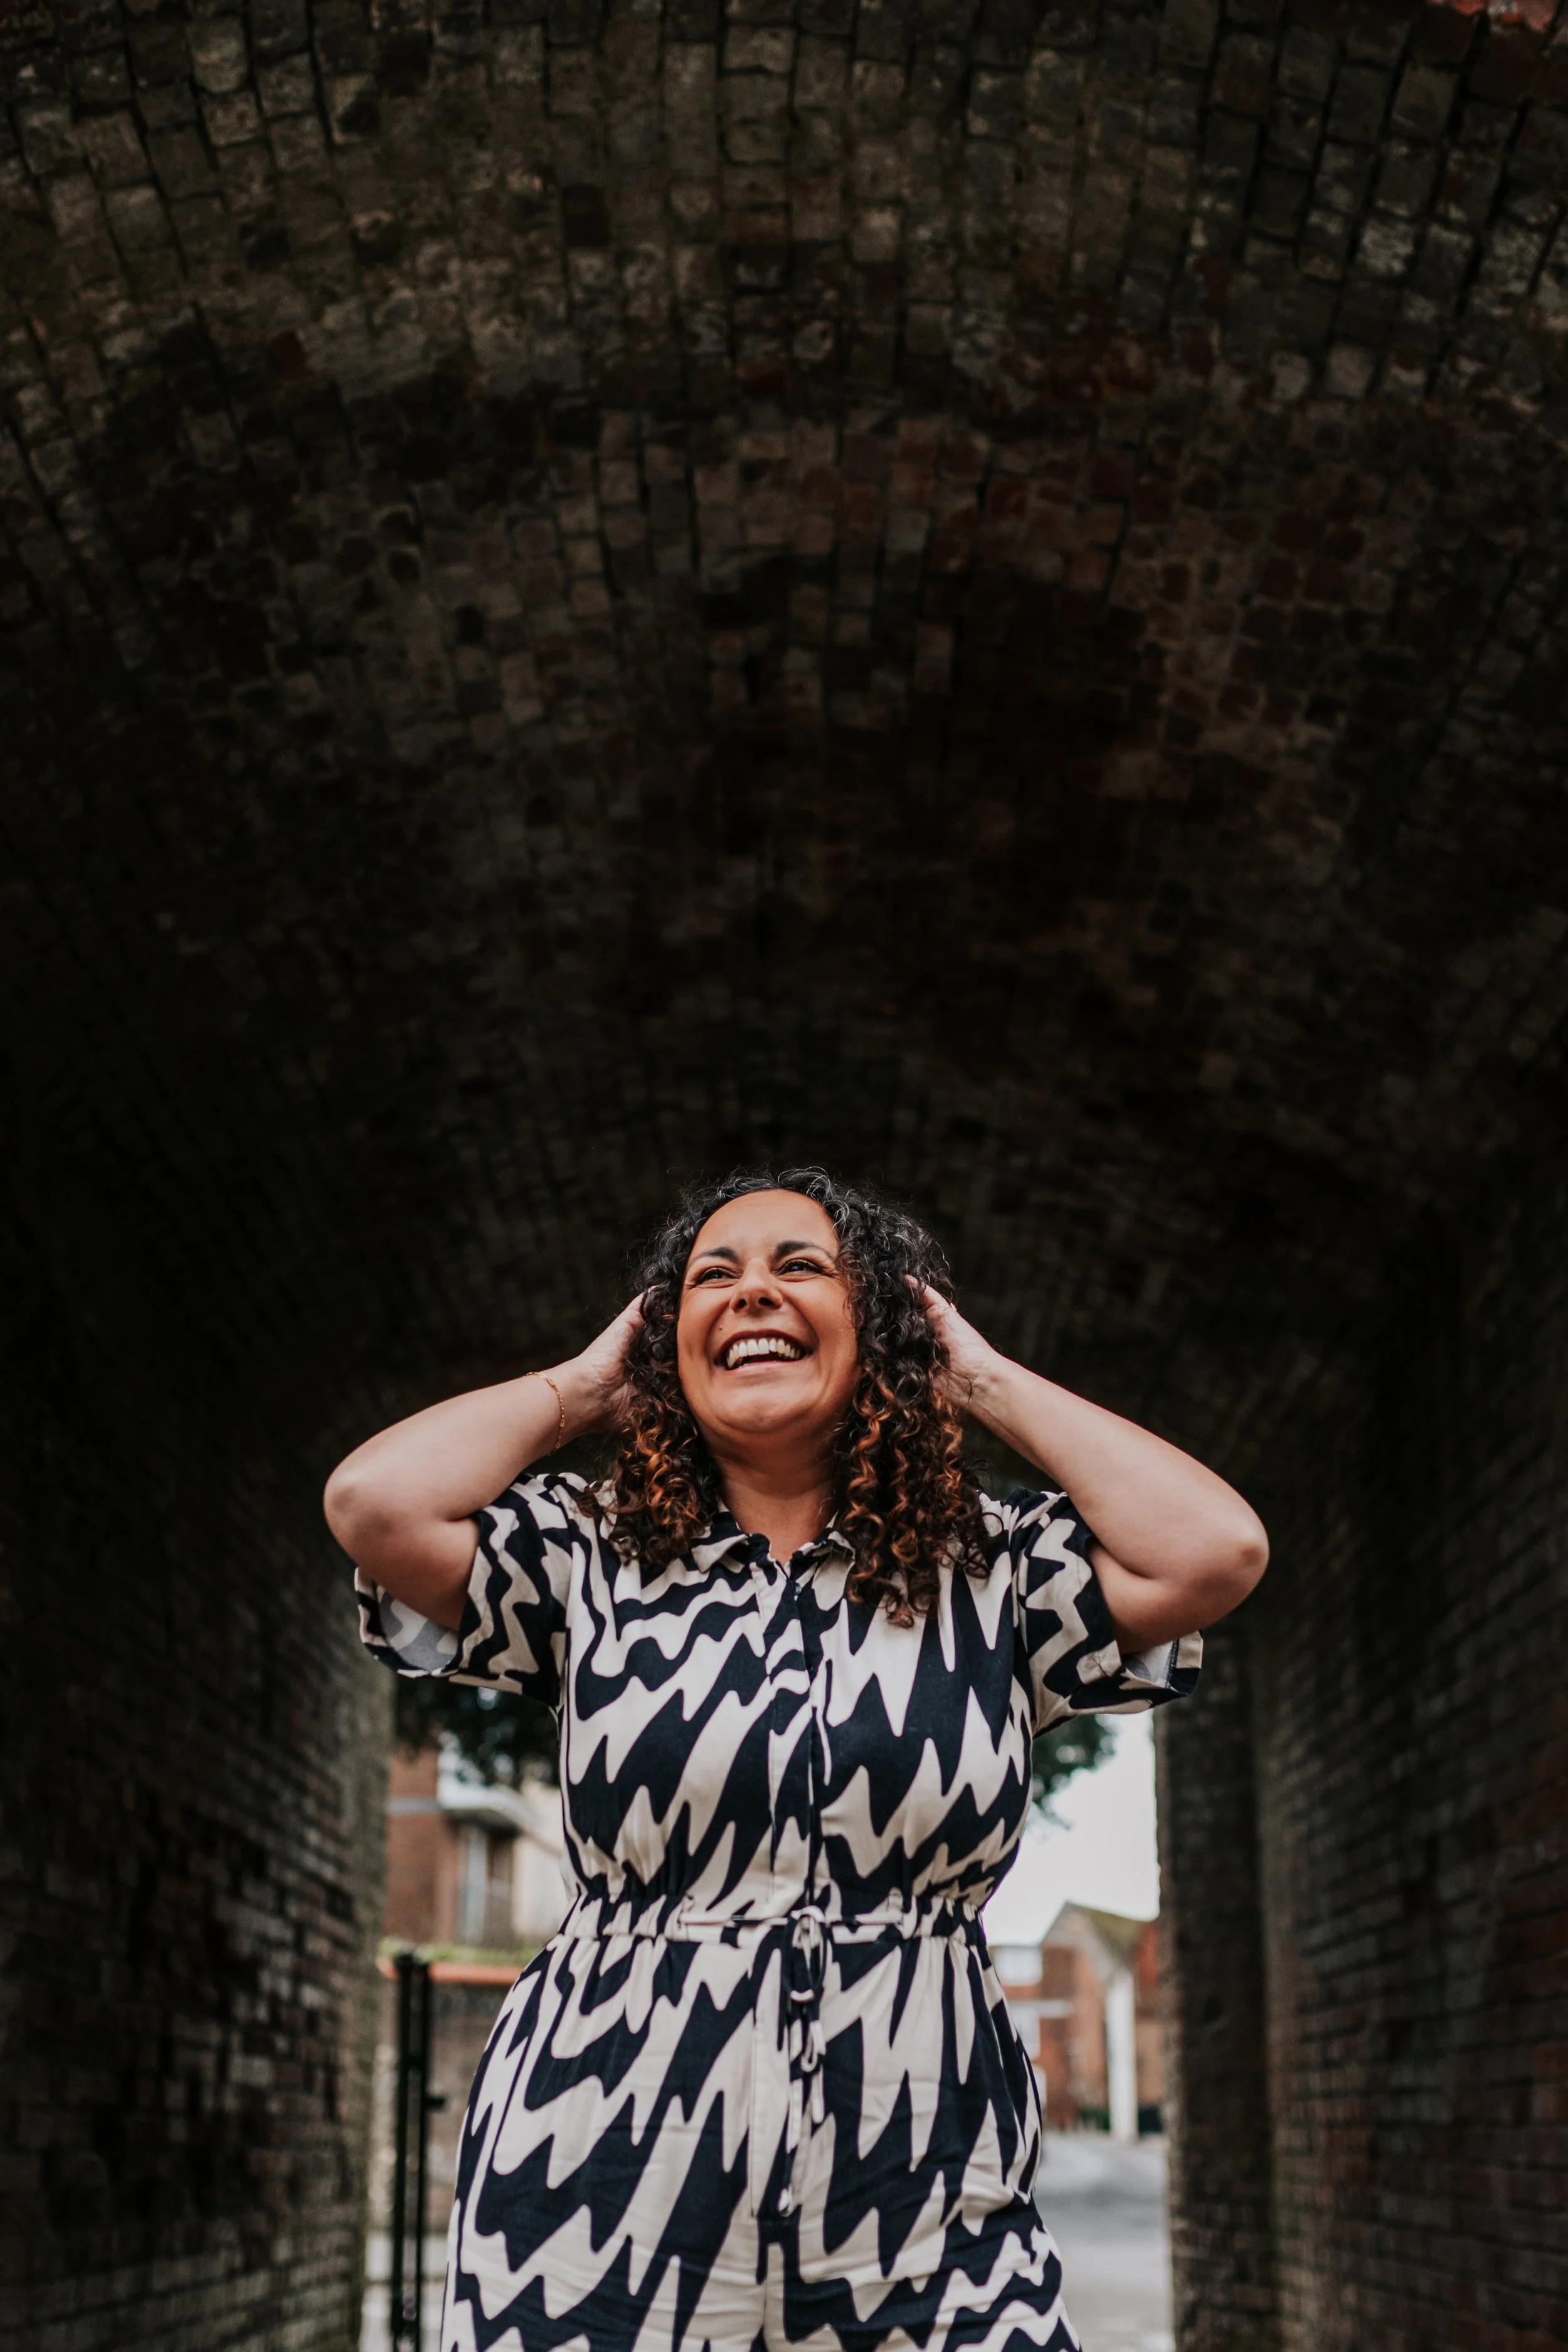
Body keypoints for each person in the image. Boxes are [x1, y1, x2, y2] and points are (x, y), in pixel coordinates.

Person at [326, 1168, 1266, 2352]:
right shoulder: (588, 1555)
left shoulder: (994, 1568)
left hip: (926, 2188)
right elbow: (374, 1503)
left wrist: (971, 1376)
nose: (750, 1292)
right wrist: (577, 1390)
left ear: (878, 1322)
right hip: (599, 2183)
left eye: (799, 1267)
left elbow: (1217, 1548)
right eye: (710, 1277)